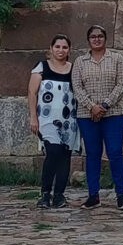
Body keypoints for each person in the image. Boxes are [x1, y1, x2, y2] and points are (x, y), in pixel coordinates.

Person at [72, 24, 123, 211]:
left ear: (105, 38)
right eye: (93, 36)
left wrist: (104, 105)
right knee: (92, 154)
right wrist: (92, 106)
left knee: (114, 153)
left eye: (100, 36)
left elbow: (121, 84)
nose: (96, 39)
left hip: (113, 113)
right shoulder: (80, 62)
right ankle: (93, 195)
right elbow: (77, 87)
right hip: (86, 114)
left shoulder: (117, 59)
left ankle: (121, 195)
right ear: (88, 40)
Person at [27, 34, 81, 209]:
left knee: (65, 156)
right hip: (47, 119)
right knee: (53, 152)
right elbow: (32, 93)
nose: (61, 50)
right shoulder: (41, 68)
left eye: (64, 47)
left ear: (69, 50)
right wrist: (33, 117)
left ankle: (59, 195)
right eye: (57, 46)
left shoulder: (74, 69)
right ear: (51, 48)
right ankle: (44, 193)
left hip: (69, 121)